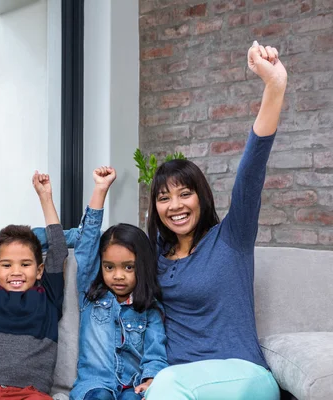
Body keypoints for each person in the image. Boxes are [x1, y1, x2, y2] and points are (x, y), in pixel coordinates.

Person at [142, 41, 287, 399]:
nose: (175, 205)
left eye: (184, 193)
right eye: (164, 198)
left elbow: (251, 172)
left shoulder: (231, 239)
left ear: (202, 197)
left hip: (244, 377)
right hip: (184, 383)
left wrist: (274, 86)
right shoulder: (156, 257)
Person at [0, 159, 68, 400]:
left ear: (40, 271)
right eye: (7, 265)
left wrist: (46, 198)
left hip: (31, 394)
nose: (16, 271)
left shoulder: (49, 297)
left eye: (26, 264)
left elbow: (58, 251)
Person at [70, 166, 168, 400]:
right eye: (109, 267)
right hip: (95, 385)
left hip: (131, 386)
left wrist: (150, 379)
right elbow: (87, 244)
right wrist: (100, 189)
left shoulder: (150, 309)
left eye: (128, 267)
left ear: (141, 267)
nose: (118, 275)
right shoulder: (91, 295)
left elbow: (155, 354)